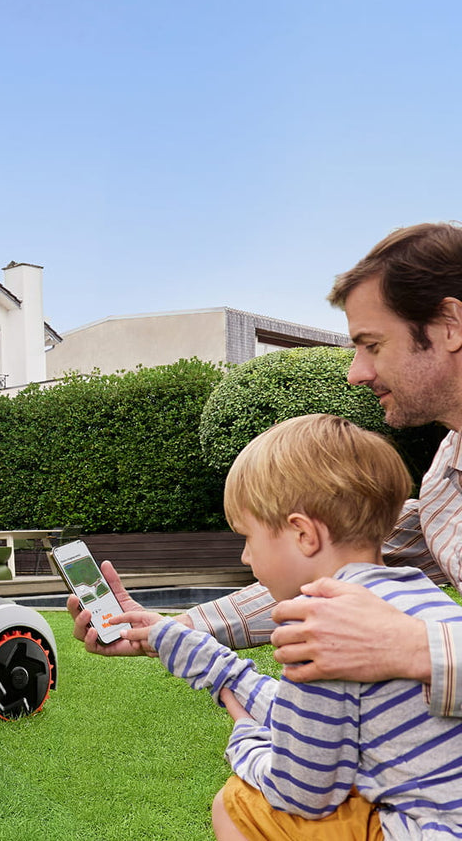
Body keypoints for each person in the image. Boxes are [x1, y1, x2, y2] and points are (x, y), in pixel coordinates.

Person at [70, 221, 462, 719]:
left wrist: (414, 647)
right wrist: (166, 630)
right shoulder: (445, 477)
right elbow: (337, 552)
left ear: (450, 325)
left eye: (373, 344)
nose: (355, 373)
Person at [119, 414, 462, 840]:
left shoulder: (325, 628)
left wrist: (247, 743)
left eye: (248, 538)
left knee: (238, 805)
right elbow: (307, 714)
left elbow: (300, 793)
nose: (246, 557)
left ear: (303, 534)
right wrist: (184, 646)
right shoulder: (420, 597)